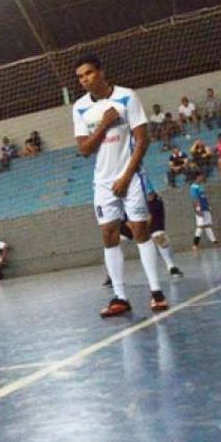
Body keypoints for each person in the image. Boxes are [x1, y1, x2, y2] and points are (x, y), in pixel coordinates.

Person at [72, 54, 168, 316]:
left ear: (101, 72)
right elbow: (84, 149)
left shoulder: (127, 96)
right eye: (80, 77)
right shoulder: (80, 107)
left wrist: (127, 176)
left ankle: (156, 292)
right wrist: (103, 125)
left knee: (140, 230)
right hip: (102, 182)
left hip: (130, 176)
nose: (84, 80)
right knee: (109, 235)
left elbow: (142, 139)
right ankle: (120, 297)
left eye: (89, 73)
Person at [190, 174, 218, 250]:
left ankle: (214, 242)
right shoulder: (193, 187)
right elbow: (194, 199)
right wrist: (198, 209)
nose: (203, 177)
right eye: (201, 176)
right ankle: (195, 245)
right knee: (200, 226)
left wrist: (208, 206)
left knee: (208, 225)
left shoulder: (200, 186)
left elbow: (204, 197)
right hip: (200, 209)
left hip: (206, 208)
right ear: (197, 177)